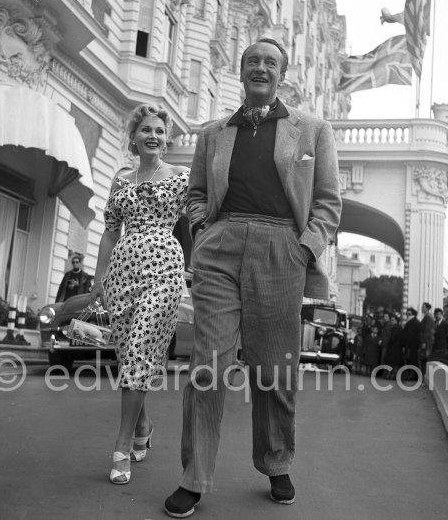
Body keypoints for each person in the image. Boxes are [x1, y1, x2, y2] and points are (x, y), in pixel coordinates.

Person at [164, 37, 341, 517]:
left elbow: (327, 202)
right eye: (252, 61)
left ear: (282, 74)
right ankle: (194, 476)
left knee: (273, 367)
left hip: (281, 246)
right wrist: (204, 230)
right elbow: (196, 193)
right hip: (221, 247)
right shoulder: (213, 133)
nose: (260, 67)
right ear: (241, 72)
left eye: (270, 62)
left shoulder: (313, 130)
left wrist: (304, 248)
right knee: (208, 365)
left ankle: (276, 460)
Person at [89, 104, 189, 486]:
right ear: (133, 136)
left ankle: (121, 445)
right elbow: (111, 231)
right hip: (123, 271)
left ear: (167, 138)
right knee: (129, 351)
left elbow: (200, 219)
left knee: (141, 348)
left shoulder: (181, 176)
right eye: (146, 129)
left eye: (160, 131)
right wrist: (99, 280)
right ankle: (144, 422)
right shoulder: (120, 179)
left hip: (164, 267)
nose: (153, 136)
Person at [402, 307, 421, 381]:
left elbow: (412, 335)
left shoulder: (414, 322)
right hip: (410, 345)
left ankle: (413, 375)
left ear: (412, 314)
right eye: (407, 313)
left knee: (412, 360)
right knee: (410, 360)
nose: (407, 315)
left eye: (409, 313)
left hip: (412, 345)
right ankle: (412, 375)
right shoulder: (411, 322)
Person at [419, 302, 435, 374]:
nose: (422, 308)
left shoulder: (428, 317)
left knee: (425, 359)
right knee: (424, 359)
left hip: (427, 342)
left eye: (423, 307)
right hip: (426, 341)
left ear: (427, 308)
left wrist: (424, 342)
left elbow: (428, 330)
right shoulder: (427, 316)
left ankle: (424, 378)